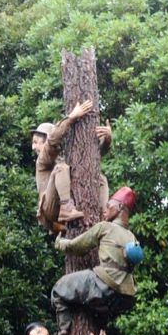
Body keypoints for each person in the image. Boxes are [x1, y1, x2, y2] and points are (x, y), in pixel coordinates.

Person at [50, 185, 143, 335]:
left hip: (104, 285)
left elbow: (76, 247)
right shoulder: (132, 237)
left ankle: (64, 328)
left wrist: (59, 242)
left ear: (120, 207)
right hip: (124, 297)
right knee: (97, 313)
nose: (105, 210)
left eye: (108, 206)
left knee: (58, 290)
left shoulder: (105, 227)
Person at [33, 99, 115, 236]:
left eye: (36, 142)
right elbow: (53, 141)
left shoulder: (63, 159)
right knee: (61, 168)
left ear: (45, 139)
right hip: (52, 209)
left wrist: (107, 140)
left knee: (100, 178)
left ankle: (101, 216)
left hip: (67, 207)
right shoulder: (42, 161)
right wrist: (71, 117)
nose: (33, 147)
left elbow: (92, 158)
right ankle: (67, 207)